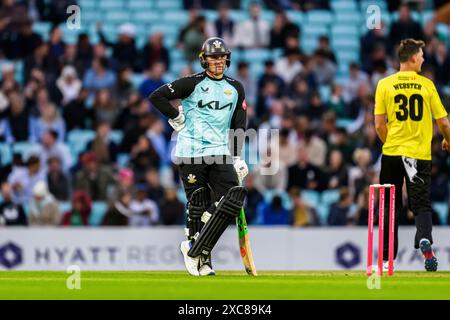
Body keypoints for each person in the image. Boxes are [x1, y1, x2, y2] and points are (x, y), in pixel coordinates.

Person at [150, 37, 248, 276]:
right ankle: (203, 261)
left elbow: (238, 125)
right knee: (199, 202)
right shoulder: (192, 83)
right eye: (214, 57)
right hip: (190, 152)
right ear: (204, 60)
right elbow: (157, 96)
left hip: (218, 152)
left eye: (222, 57)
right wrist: (175, 116)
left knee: (232, 199)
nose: (219, 61)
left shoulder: (235, 87)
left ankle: (193, 248)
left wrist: (236, 157)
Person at [374, 39, 450, 272]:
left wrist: (393, 144)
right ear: (414, 58)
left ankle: (387, 259)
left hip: (393, 153)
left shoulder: (385, 84)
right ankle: (425, 239)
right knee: (421, 204)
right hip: (418, 155)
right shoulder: (426, 85)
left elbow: (378, 125)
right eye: (422, 56)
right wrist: (448, 139)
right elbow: (443, 122)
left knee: (389, 206)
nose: (424, 59)